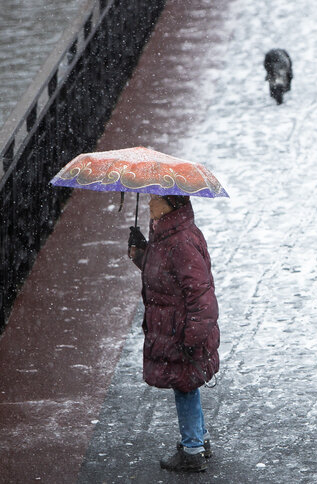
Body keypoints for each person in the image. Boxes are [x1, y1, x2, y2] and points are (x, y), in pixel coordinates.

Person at [128, 194, 220, 473]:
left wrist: (191, 340)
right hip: (174, 328)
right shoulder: (168, 235)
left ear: (170, 204)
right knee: (186, 386)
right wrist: (141, 253)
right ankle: (199, 441)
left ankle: (192, 448)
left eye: (155, 198)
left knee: (185, 387)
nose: (149, 202)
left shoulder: (179, 242)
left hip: (181, 331)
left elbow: (202, 297)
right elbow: (162, 276)